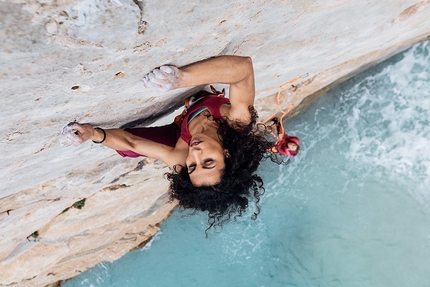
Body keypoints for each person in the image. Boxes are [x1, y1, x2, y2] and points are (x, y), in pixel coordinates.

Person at [64, 56, 293, 234]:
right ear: (227, 154)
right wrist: (180, 79)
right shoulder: (236, 122)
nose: (195, 153)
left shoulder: (182, 157)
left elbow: (132, 141)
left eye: (193, 166)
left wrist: (91, 134)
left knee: (127, 148)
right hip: (199, 112)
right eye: (208, 161)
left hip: (179, 133)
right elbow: (243, 68)